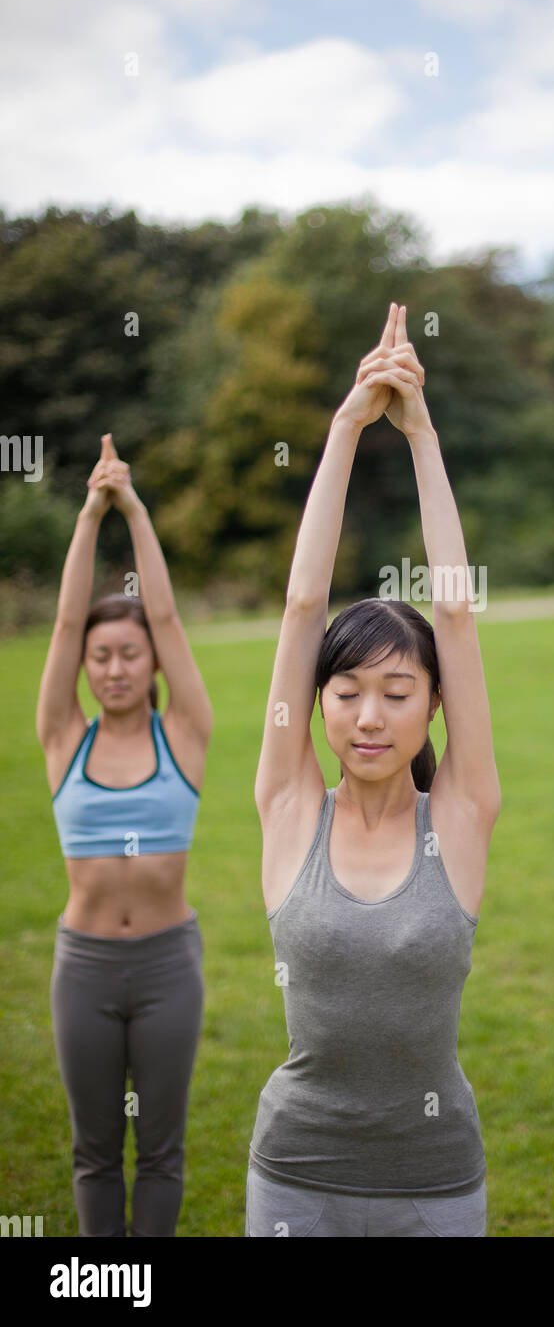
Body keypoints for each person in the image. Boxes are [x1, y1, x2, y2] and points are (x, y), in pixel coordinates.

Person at [247, 302, 500, 1238]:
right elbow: (303, 602)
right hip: (294, 1178)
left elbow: (457, 612)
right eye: (346, 690)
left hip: (435, 1184)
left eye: (397, 692)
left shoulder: (463, 815)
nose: (367, 715)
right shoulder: (288, 808)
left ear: (434, 704)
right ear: (317, 701)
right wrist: (347, 427)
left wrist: (422, 434)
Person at [37, 434, 213, 1236]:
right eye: (100, 657)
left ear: (151, 664)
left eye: (129, 655)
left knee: (163, 1152)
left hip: (167, 964)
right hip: (87, 967)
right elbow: (68, 615)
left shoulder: (183, 734)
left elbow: (168, 613)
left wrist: (134, 508)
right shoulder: (62, 736)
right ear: (85, 665)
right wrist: (87, 516)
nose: (113, 668)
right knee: (95, 1150)